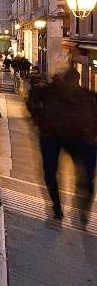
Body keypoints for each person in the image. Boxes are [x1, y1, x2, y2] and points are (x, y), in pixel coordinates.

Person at [27, 68, 97, 221]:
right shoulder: (86, 96)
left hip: (53, 134)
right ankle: (76, 206)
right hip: (68, 136)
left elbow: (31, 100)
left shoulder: (51, 91)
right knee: (83, 174)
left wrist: (37, 119)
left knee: (50, 172)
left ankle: (58, 207)